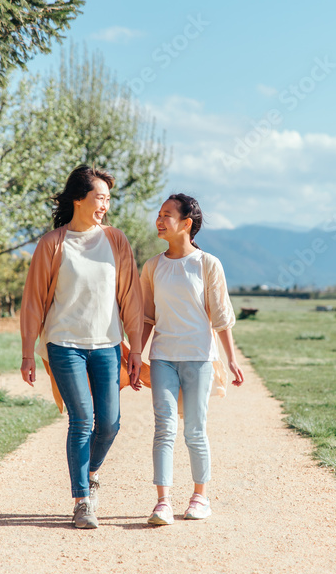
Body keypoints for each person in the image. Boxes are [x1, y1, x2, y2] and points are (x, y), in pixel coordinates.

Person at [20, 165, 144, 530]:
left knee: (109, 423)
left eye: (108, 199)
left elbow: (131, 298)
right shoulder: (52, 244)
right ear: (78, 199)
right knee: (82, 419)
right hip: (64, 344)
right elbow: (33, 302)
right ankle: (82, 501)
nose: (105, 205)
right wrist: (28, 352)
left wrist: (136, 349)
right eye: (99, 198)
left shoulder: (116, 240)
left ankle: (88, 472)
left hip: (107, 344)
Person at [139, 193, 244, 525]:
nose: (159, 220)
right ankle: (163, 502)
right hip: (163, 357)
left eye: (166, 215)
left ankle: (200, 497)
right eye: (159, 214)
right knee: (164, 428)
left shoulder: (207, 264)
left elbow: (221, 316)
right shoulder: (152, 266)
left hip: (199, 358)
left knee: (195, 430)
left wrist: (231, 359)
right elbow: (146, 317)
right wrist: (136, 355)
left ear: (186, 223)